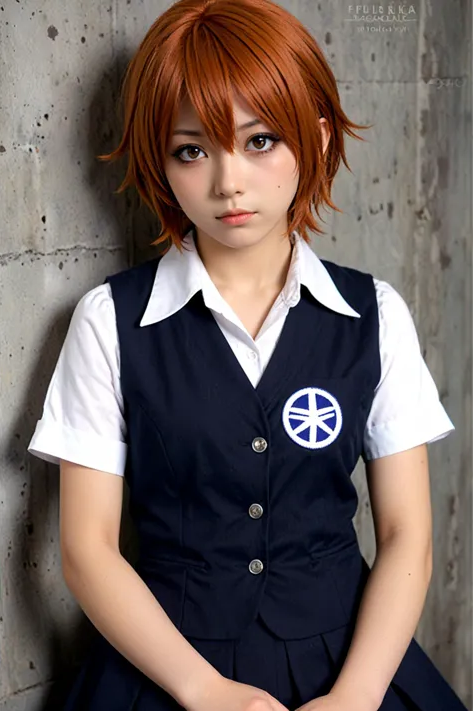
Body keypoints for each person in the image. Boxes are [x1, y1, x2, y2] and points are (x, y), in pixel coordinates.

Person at [27, 1, 468, 709]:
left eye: (260, 141)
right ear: (159, 160)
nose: (228, 180)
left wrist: (355, 696)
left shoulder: (373, 316)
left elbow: (407, 533)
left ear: (317, 139)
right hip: (167, 670)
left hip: (350, 664)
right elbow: (85, 549)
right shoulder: (109, 321)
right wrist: (204, 690)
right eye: (192, 150)